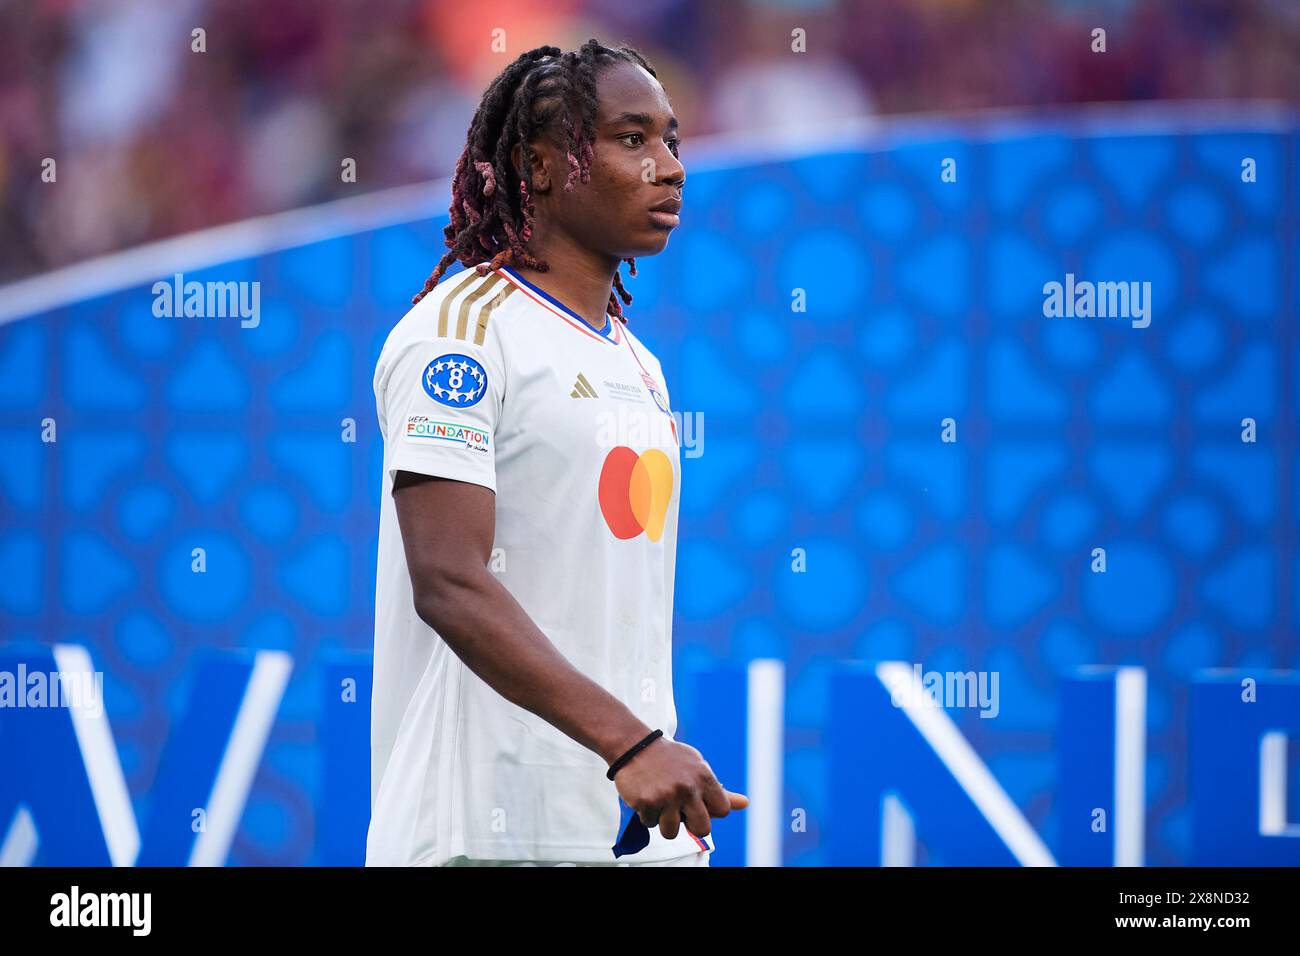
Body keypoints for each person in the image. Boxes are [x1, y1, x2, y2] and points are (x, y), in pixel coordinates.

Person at [366, 39, 747, 867]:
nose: (669, 167)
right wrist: (630, 744)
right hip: (482, 831)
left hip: (632, 830)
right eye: (632, 138)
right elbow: (450, 582)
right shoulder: (457, 336)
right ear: (540, 166)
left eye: (673, 141)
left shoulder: (636, 364)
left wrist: (642, 753)